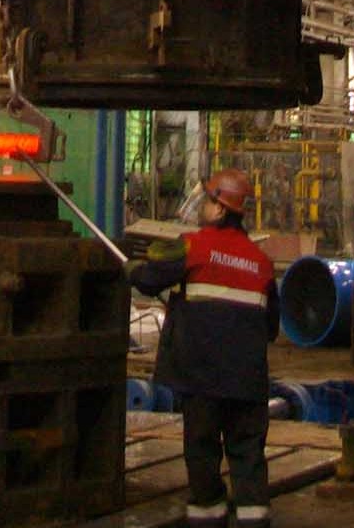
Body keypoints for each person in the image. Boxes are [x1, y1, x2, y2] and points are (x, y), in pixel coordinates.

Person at [127, 167, 279, 527]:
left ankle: (209, 514)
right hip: (247, 382)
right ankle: (254, 516)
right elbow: (271, 327)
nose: (202, 208)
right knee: (248, 452)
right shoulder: (261, 263)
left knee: (202, 449)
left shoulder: (194, 247)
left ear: (221, 208)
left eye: (207, 201)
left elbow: (149, 280)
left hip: (202, 379)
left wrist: (132, 270)